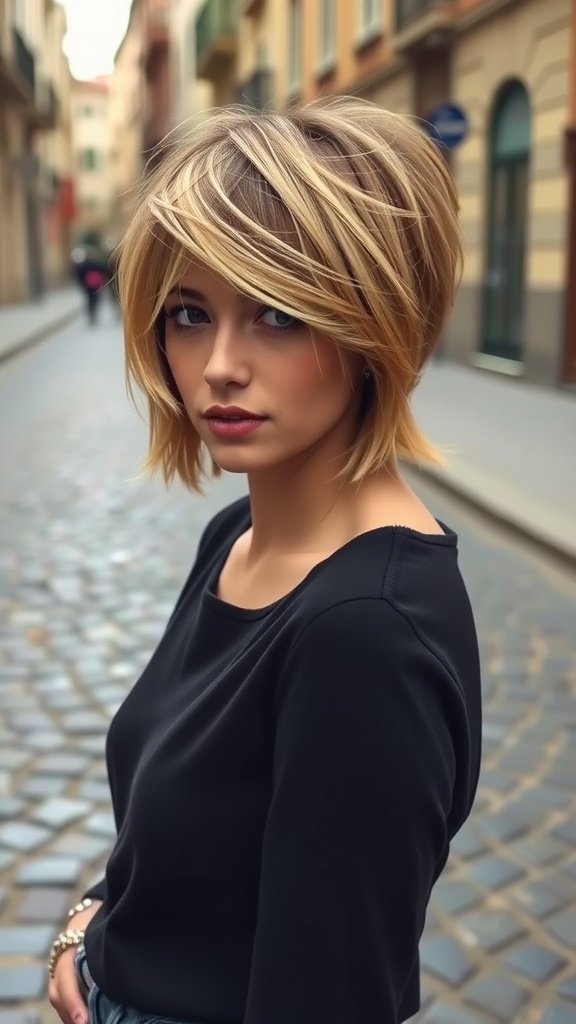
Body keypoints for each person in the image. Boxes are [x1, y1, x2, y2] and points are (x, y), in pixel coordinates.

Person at [48, 97, 482, 1024]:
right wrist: (94, 924)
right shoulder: (236, 538)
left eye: (279, 314)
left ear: (376, 323)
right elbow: (189, 834)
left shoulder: (365, 637)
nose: (218, 366)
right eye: (190, 313)